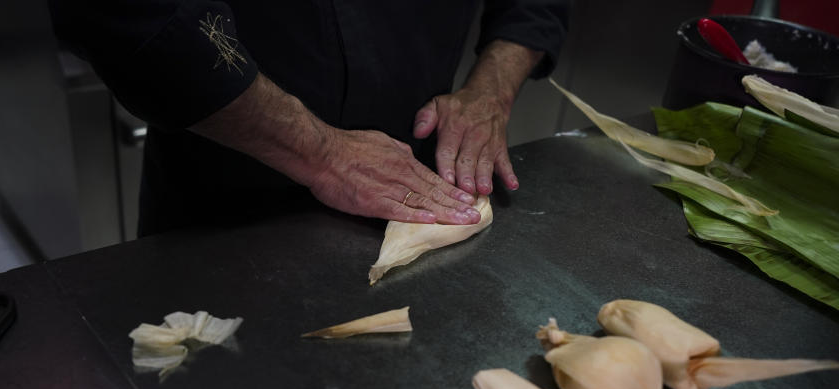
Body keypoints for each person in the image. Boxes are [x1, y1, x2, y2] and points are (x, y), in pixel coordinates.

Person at [48, 1, 570, 236]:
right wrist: (320, 152)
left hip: (414, 171)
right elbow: (131, 12)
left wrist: (491, 90)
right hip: (226, 200)